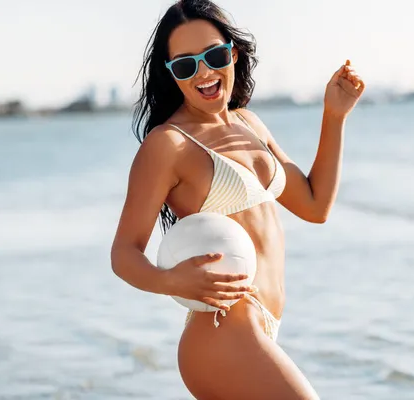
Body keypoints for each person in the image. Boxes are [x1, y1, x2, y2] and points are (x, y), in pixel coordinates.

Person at [111, 0, 365, 398]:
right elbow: (124, 254)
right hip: (220, 335)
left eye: (213, 55)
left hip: (261, 329)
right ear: (172, 74)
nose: (204, 72)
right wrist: (170, 281)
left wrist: (334, 117)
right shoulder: (168, 146)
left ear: (233, 51)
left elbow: (315, 207)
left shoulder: (248, 122)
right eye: (185, 65)